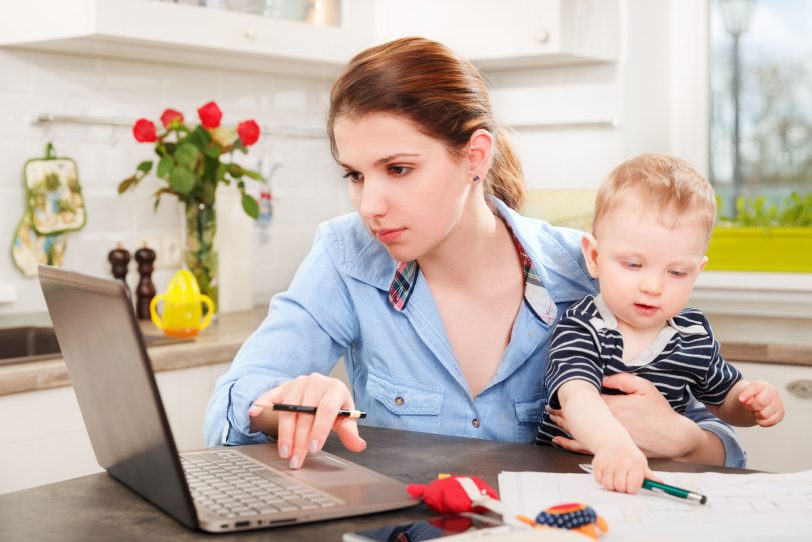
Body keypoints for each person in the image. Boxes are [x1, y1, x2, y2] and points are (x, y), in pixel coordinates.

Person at [204, 37, 746, 472]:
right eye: (354, 174)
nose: (370, 204)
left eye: (398, 169)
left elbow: (722, 441)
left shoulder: (588, 272)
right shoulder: (347, 256)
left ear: (475, 156)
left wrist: (684, 441)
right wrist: (286, 402)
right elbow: (229, 406)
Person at [535, 154, 784, 494]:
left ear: (697, 272)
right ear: (594, 257)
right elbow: (577, 395)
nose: (653, 286)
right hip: (568, 481)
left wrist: (750, 400)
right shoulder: (583, 326)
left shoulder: (693, 334)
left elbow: (723, 401)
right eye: (634, 264)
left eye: (676, 272)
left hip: (659, 487)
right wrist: (613, 445)